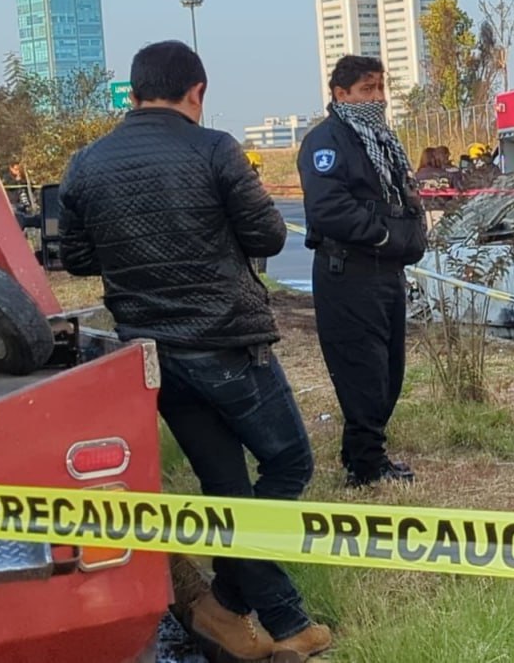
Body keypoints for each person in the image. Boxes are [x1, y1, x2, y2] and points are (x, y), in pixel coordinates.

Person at [56, 40, 330, 659]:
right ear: (197, 92)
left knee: (225, 483)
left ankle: (255, 618)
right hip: (227, 343)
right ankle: (242, 609)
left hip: (151, 356)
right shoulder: (214, 149)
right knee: (289, 464)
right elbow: (264, 231)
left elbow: (73, 257)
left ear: (134, 92)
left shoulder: (86, 164)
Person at [298, 55, 427, 487]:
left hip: (385, 274)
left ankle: (362, 457)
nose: (378, 98)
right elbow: (328, 207)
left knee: (388, 372)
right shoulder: (327, 142)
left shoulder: (380, 140)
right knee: (363, 374)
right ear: (341, 94)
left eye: (380, 88)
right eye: (367, 90)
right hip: (349, 273)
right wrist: (382, 235)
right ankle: (367, 469)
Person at [413, 146, 464, 211]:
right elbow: (458, 196)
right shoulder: (449, 175)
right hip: (445, 212)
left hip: (422, 211)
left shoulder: (415, 177)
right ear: (437, 158)